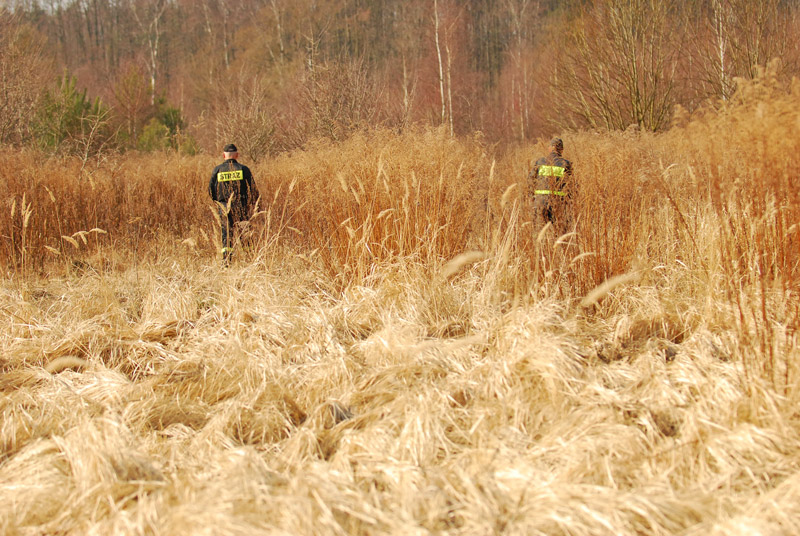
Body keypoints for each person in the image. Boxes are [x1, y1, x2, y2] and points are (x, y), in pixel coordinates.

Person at [208, 143, 259, 262]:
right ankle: (250, 259)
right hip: (241, 206)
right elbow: (253, 188)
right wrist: (253, 204)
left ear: (223, 156)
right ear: (237, 155)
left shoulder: (218, 169)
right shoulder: (243, 169)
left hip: (224, 207)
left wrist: (219, 203)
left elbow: (211, 189)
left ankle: (226, 262)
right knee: (245, 234)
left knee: (226, 235)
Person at [528, 137, 573, 233]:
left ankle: (539, 247)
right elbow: (571, 185)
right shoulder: (566, 164)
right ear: (561, 150)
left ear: (549, 148)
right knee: (560, 232)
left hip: (540, 202)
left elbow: (530, 181)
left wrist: (531, 197)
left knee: (539, 232)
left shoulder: (540, 162)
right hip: (558, 203)